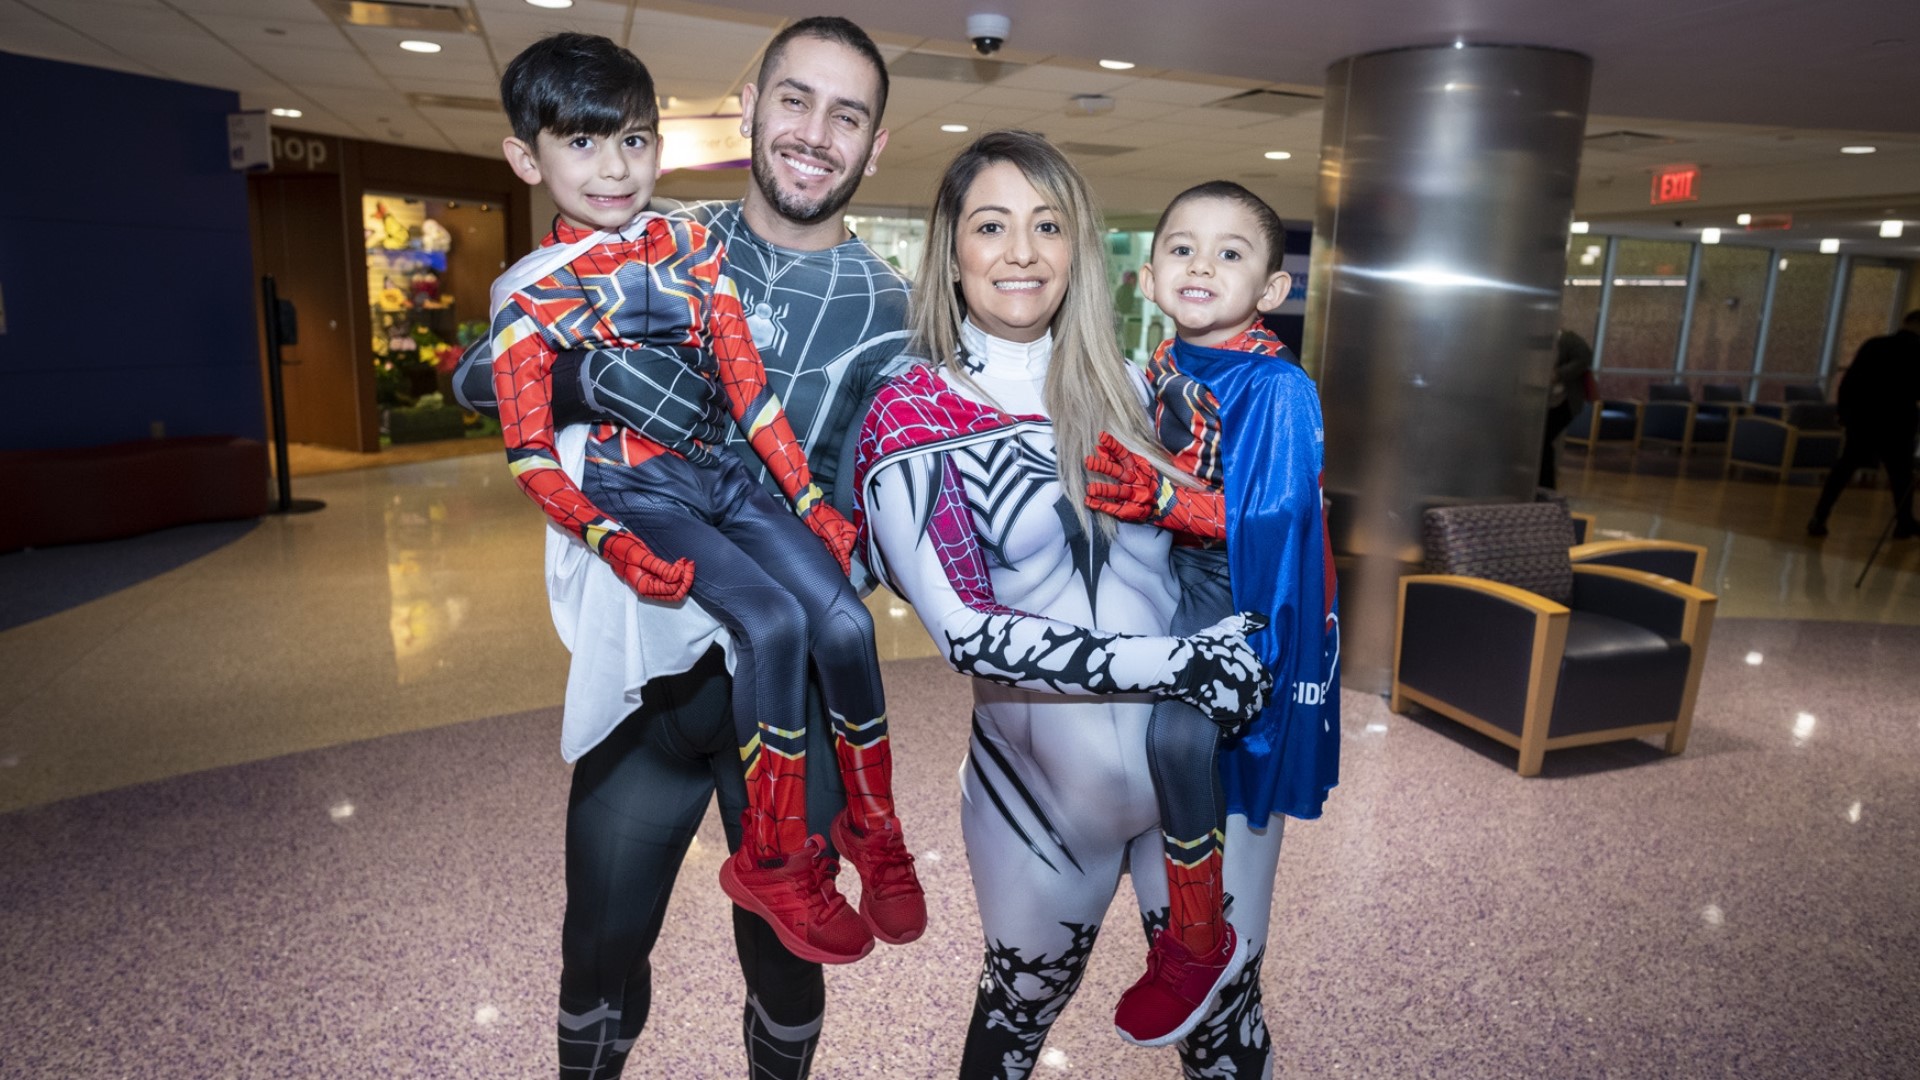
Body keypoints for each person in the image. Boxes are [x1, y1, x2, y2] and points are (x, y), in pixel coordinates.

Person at [455, 18, 913, 1078]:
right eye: (794, 100)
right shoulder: (656, 230)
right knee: (600, 958)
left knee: (792, 963)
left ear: (875, 145)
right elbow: (476, 380)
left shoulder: (894, 307)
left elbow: (892, 497)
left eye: (847, 115)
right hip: (648, 674)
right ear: (746, 109)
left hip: (786, 682)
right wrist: (584, 381)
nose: (815, 133)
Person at [852, 131, 1282, 1078]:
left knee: (1228, 1020)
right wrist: (1187, 666)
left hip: (1201, 773)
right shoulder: (914, 410)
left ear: (1078, 248)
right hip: (1040, 800)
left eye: (1048, 226)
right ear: (951, 248)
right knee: (1016, 1019)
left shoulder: (1136, 389)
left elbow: (1231, 544)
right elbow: (967, 633)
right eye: (992, 226)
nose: (1021, 252)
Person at [1079, 180, 1340, 1047]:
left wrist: (1166, 499)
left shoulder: (1276, 384)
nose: (1203, 264)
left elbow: (1278, 515)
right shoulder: (1157, 369)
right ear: (1147, 279)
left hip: (1239, 588)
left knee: (1175, 737)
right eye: (1184, 248)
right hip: (1170, 574)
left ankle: (1197, 938)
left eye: (1232, 253)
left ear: (1270, 291)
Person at [1808, 309, 1920, 539]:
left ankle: (1820, 516)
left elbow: (1850, 382)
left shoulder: (1874, 345)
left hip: (1864, 421)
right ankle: (1904, 522)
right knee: (1901, 475)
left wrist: (1844, 414)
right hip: (1898, 424)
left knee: (1843, 470)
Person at [1542, 328, 1594, 489]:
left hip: (1564, 402)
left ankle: (1546, 486)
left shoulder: (1568, 339)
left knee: (1543, 441)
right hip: (1544, 401)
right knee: (1541, 442)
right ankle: (1543, 485)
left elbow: (1585, 358)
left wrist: (1558, 374)